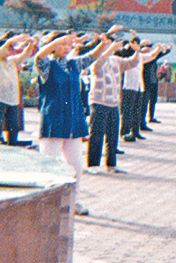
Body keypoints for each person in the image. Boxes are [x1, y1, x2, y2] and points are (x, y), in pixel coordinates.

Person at [34, 32, 92, 215]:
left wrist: (106, 44)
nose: (66, 48)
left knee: (75, 165)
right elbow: (39, 56)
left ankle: (72, 202)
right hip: (53, 122)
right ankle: (44, 204)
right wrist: (57, 40)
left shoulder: (74, 65)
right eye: (62, 45)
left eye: (68, 45)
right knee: (48, 165)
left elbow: (94, 56)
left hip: (74, 123)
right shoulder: (47, 66)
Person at [85, 31, 139, 172]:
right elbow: (98, 63)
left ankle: (111, 164)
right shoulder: (95, 61)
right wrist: (109, 48)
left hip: (113, 103)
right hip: (98, 102)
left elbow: (131, 63)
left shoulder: (115, 60)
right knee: (96, 135)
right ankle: (93, 165)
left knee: (112, 136)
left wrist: (137, 52)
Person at [0, 33, 36, 145]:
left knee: (13, 126)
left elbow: (26, 54)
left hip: (13, 99)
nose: (10, 51)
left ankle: (12, 145)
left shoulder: (12, 61)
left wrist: (30, 43)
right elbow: (4, 48)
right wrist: (17, 39)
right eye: (9, 49)